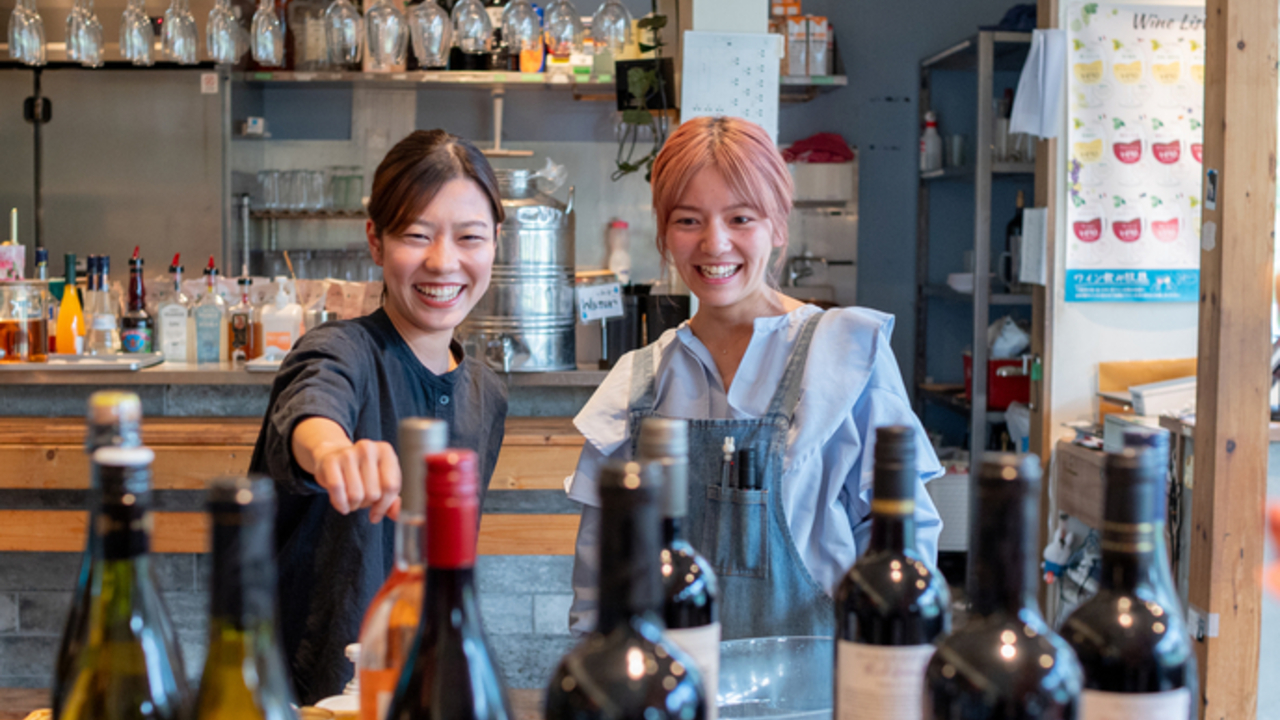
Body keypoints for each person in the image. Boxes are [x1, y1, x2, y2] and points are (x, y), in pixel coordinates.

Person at [566, 116, 943, 638]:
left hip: (819, 690)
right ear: (664, 234)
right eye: (688, 220)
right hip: (670, 689)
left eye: (741, 218)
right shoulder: (642, 383)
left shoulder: (844, 356)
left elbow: (904, 549)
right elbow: (599, 573)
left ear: (778, 226)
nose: (715, 244)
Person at [249, 130, 509, 704]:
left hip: (427, 681)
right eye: (417, 236)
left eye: (469, 237)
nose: (443, 262)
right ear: (375, 240)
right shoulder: (341, 349)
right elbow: (313, 409)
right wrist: (337, 453)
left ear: (496, 242)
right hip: (314, 694)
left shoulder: (487, 394)